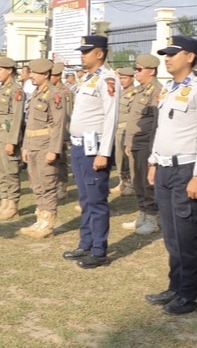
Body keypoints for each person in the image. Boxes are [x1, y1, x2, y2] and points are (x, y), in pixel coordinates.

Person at [145, 35, 197, 316]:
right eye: (166, 54)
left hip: (187, 170)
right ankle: (175, 287)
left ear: (190, 57)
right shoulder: (169, 89)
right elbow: (162, 129)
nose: (167, 58)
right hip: (164, 169)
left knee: (186, 235)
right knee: (171, 235)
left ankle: (188, 295)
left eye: (173, 54)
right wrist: (153, 161)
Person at [63, 35, 118, 269]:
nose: (82, 55)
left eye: (86, 51)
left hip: (94, 148)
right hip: (79, 146)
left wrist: (104, 152)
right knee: (85, 199)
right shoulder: (88, 79)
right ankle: (86, 243)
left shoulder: (107, 80)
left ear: (100, 54)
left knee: (96, 200)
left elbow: (111, 117)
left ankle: (98, 250)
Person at [21, 59, 68, 237]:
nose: (31, 75)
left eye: (35, 73)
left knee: (47, 184)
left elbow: (58, 124)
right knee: (37, 184)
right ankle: (40, 218)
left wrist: (53, 150)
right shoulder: (36, 93)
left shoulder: (55, 94)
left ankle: (48, 222)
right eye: (31, 72)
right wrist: (25, 146)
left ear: (46, 74)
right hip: (33, 144)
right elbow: (30, 123)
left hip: (45, 145)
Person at [121, 54, 162, 235]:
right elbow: (133, 118)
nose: (136, 72)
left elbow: (157, 123)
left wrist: (153, 149)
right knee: (137, 181)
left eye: (139, 69)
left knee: (147, 182)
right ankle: (143, 214)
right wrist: (128, 142)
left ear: (151, 71)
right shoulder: (140, 90)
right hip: (135, 143)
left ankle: (153, 218)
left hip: (147, 144)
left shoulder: (157, 91)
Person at [0, 57, 25, 221]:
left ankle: (13, 206)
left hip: (8, 136)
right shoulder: (0, 89)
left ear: (9, 70)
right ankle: (5, 202)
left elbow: (17, 118)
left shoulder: (16, 90)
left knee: (11, 172)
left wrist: (12, 141)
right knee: (0, 171)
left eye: (0, 70)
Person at [111, 68, 136, 197]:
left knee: (128, 158)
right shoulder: (120, 92)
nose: (122, 81)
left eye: (125, 78)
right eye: (120, 78)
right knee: (119, 158)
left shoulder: (134, 93)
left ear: (132, 78)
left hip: (127, 129)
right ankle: (123, 181)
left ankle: (131, 184)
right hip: (118, 129)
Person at [52, 64, 73, 200]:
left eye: (53, 75)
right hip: (52, 129)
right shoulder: (50, 90)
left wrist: (65, 137)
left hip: (62, 130)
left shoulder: (65, 92)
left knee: (61, 159)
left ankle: (62, 186)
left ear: (58, 76)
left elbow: (67, 114)